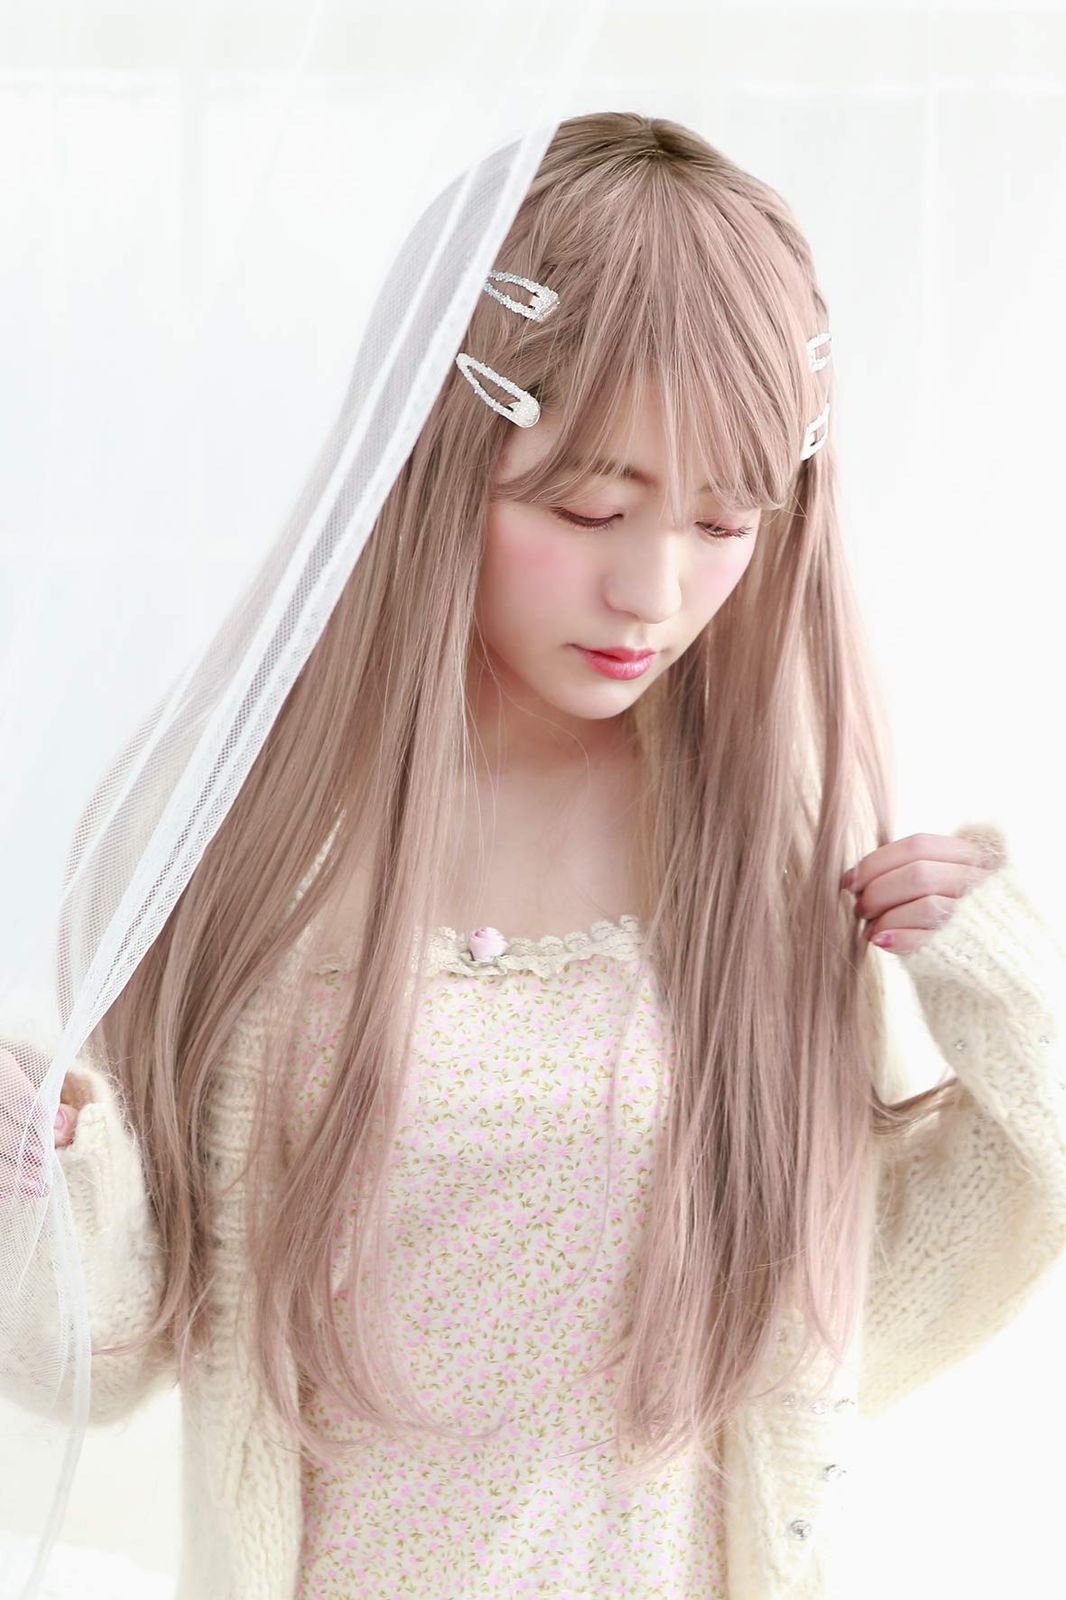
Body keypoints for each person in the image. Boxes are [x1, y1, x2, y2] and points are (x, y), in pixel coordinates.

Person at [3, 110, 1065, 1600]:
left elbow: (856, 1321)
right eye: (589, 508)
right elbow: (109, 1350)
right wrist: (43, 1175)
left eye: (724, 521)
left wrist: (1011, 994)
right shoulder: (232, 822)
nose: (654, 591)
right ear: (432, 461)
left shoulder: (769, 841)